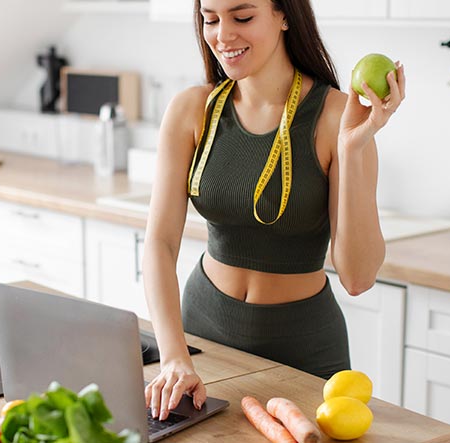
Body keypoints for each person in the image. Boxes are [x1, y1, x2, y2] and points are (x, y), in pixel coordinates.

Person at [142, 0, 406, 421]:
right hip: (203, 339)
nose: (223, 35)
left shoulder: (339, 115)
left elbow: (358, 278)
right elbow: (159, 242)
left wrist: (353, 150)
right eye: (210, 19)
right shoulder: (193, 109)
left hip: (304, 350)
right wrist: (174, 355)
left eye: (242, 17)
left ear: (285, 15)